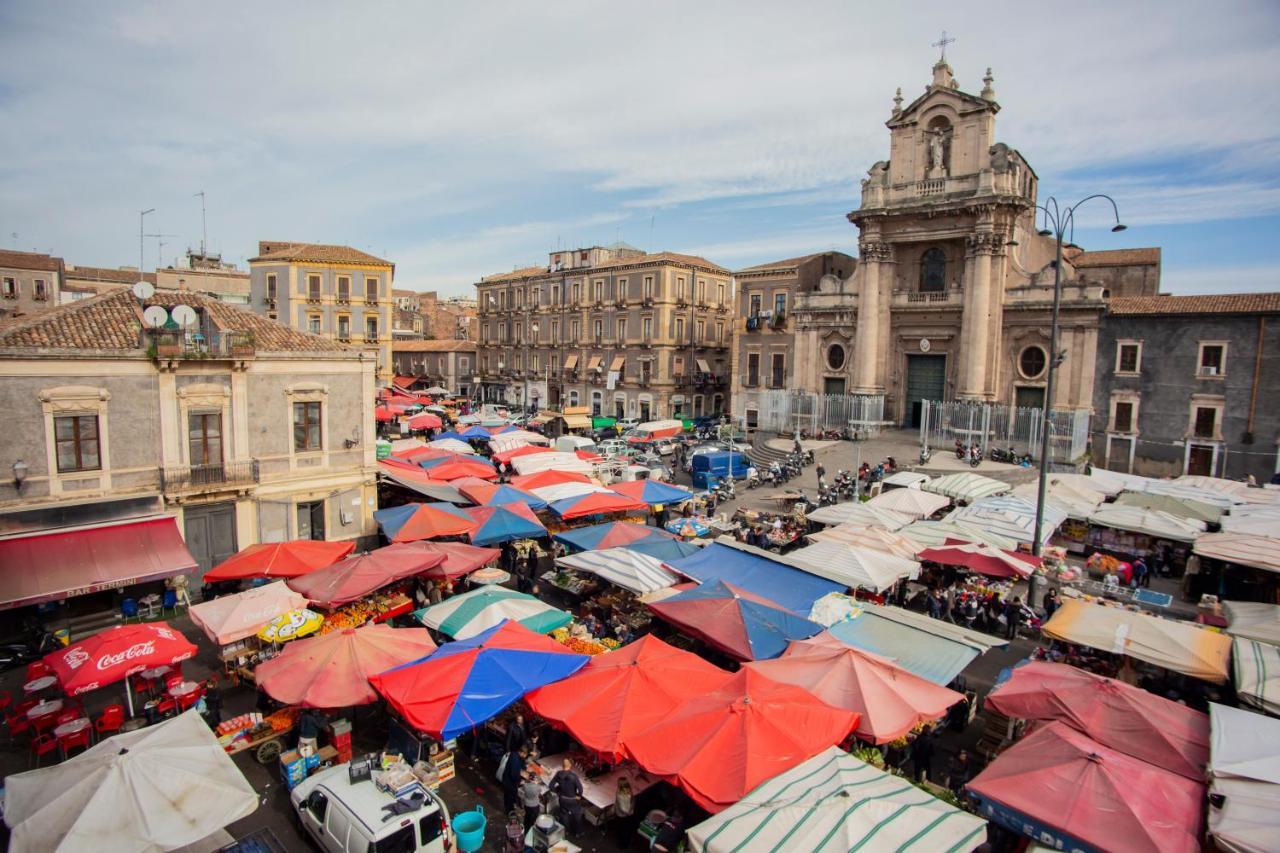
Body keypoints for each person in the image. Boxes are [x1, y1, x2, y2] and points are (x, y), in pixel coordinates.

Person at [548, 758, 585, 836]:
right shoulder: (574, 776)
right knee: (577, 815)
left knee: (564, 816)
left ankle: (566, 831)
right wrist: (579, 796)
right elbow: (580, 789)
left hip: (562, 799)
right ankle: (578, 833)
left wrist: (558, 792)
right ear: (570, 766)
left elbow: (551, 786)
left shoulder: (558, 774)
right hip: (572, 800)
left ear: (562, 766)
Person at [501, 746, 528, 816]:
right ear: (522, 752)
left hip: (508, 779)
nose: (525, 756)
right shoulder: (515, 760)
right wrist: (520, 781)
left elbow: (521, 765)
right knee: (509, 797)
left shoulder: (514, 754)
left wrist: (524, 767)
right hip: (509, 782)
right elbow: (514, 774)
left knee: (510, 795)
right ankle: (509, 811)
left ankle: (510, 808)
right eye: (525, 755)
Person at [612, 777, 635, 847]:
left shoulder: (620, 794)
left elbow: (622, 807)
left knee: (622, 830)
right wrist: (630, 811)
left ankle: (622, 844)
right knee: (626, 828)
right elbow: (633, 802)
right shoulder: (630, 792)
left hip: (622, 815)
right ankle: (626, 841)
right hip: (628, 814)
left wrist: (627, 812)